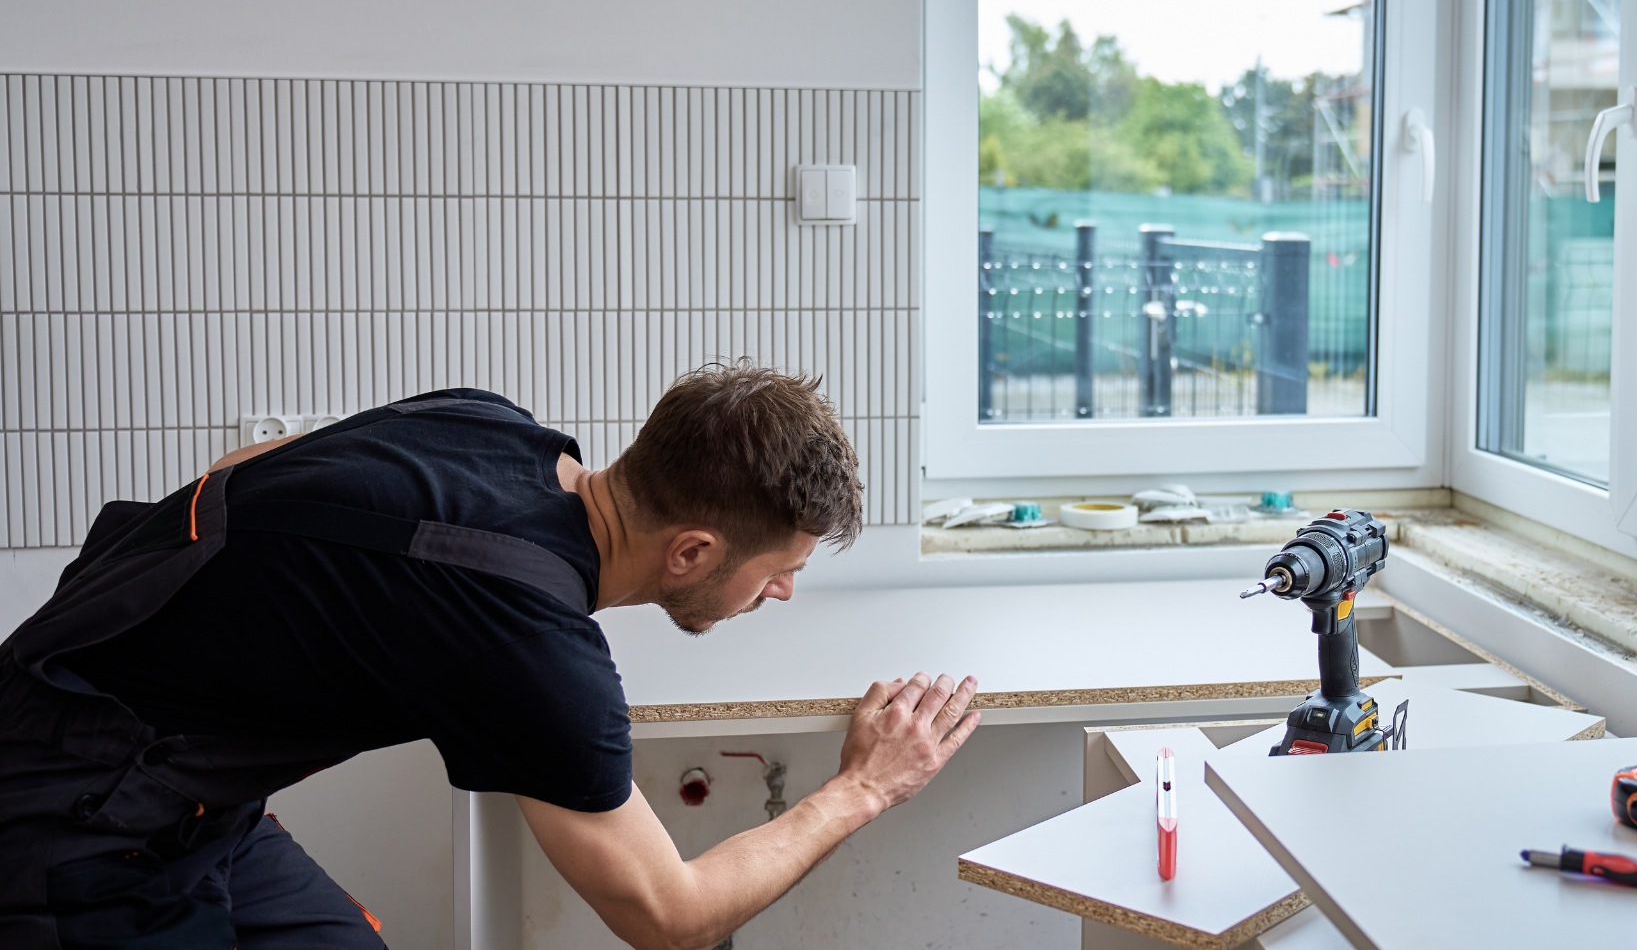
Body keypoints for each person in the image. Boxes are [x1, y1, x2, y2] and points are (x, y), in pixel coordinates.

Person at [0, 363, 980, 949]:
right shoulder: (536, 650)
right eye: (777, 571)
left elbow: (235, 473)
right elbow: (669, 919)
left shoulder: (490, 423)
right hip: (76, 826)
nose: (783, 594)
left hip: (175, 791)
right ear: (691, 551)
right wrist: (866, 788)